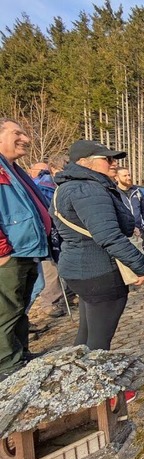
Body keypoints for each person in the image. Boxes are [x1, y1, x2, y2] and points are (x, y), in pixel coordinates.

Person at [51, 140, 144, 356]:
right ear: (84, 162)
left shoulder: (68, 186)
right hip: (99, 272)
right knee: (98, 343)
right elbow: (109, 235)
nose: (113, 163)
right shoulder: (88, 189)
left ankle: (77, 379)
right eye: (107, 159)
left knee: (86, 335)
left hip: (80, 270)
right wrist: (141, 266)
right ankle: (99, 387)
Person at [0, 119, 51, 381]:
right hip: (9, 255)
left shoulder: (13, 170)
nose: (26, 139)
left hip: (27, 249)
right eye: (17, 133)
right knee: (6, 311)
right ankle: (7, 366)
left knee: (19, 309)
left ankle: (20, 355)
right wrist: (2, 251)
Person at [26, 161, 67, 318]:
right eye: (43, 172)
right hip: (45, 237)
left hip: (51, 235)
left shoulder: (45, 185)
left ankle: (59, 300)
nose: (47, 175)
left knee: (55, 272)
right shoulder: (40, 186)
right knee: (49, 274)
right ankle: (49, 303)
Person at [115, 167, 144, 288]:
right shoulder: (114, 193)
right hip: (123, 231)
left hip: (139, 229)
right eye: (125, 175)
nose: (128, 178)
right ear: (117, 177)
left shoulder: (137, 191)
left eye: (129, 175)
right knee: (125, 256)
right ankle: (129, 282)